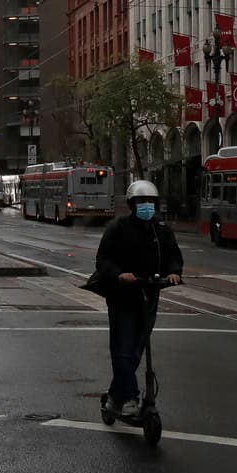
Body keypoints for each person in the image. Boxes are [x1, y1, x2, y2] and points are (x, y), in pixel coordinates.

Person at [83, 179, 183, 418]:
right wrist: (119, 274)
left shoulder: (161, 231)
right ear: (131, 204)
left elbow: (173, 256)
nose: (146, 206)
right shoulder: (118, 228)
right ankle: (129, 397)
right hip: (122, 296)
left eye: (150, 201)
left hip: (149, 295)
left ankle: (115, 396)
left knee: (137, 349)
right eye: (141, 202)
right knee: (123, 348)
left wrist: (173, 273)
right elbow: (103, 260)